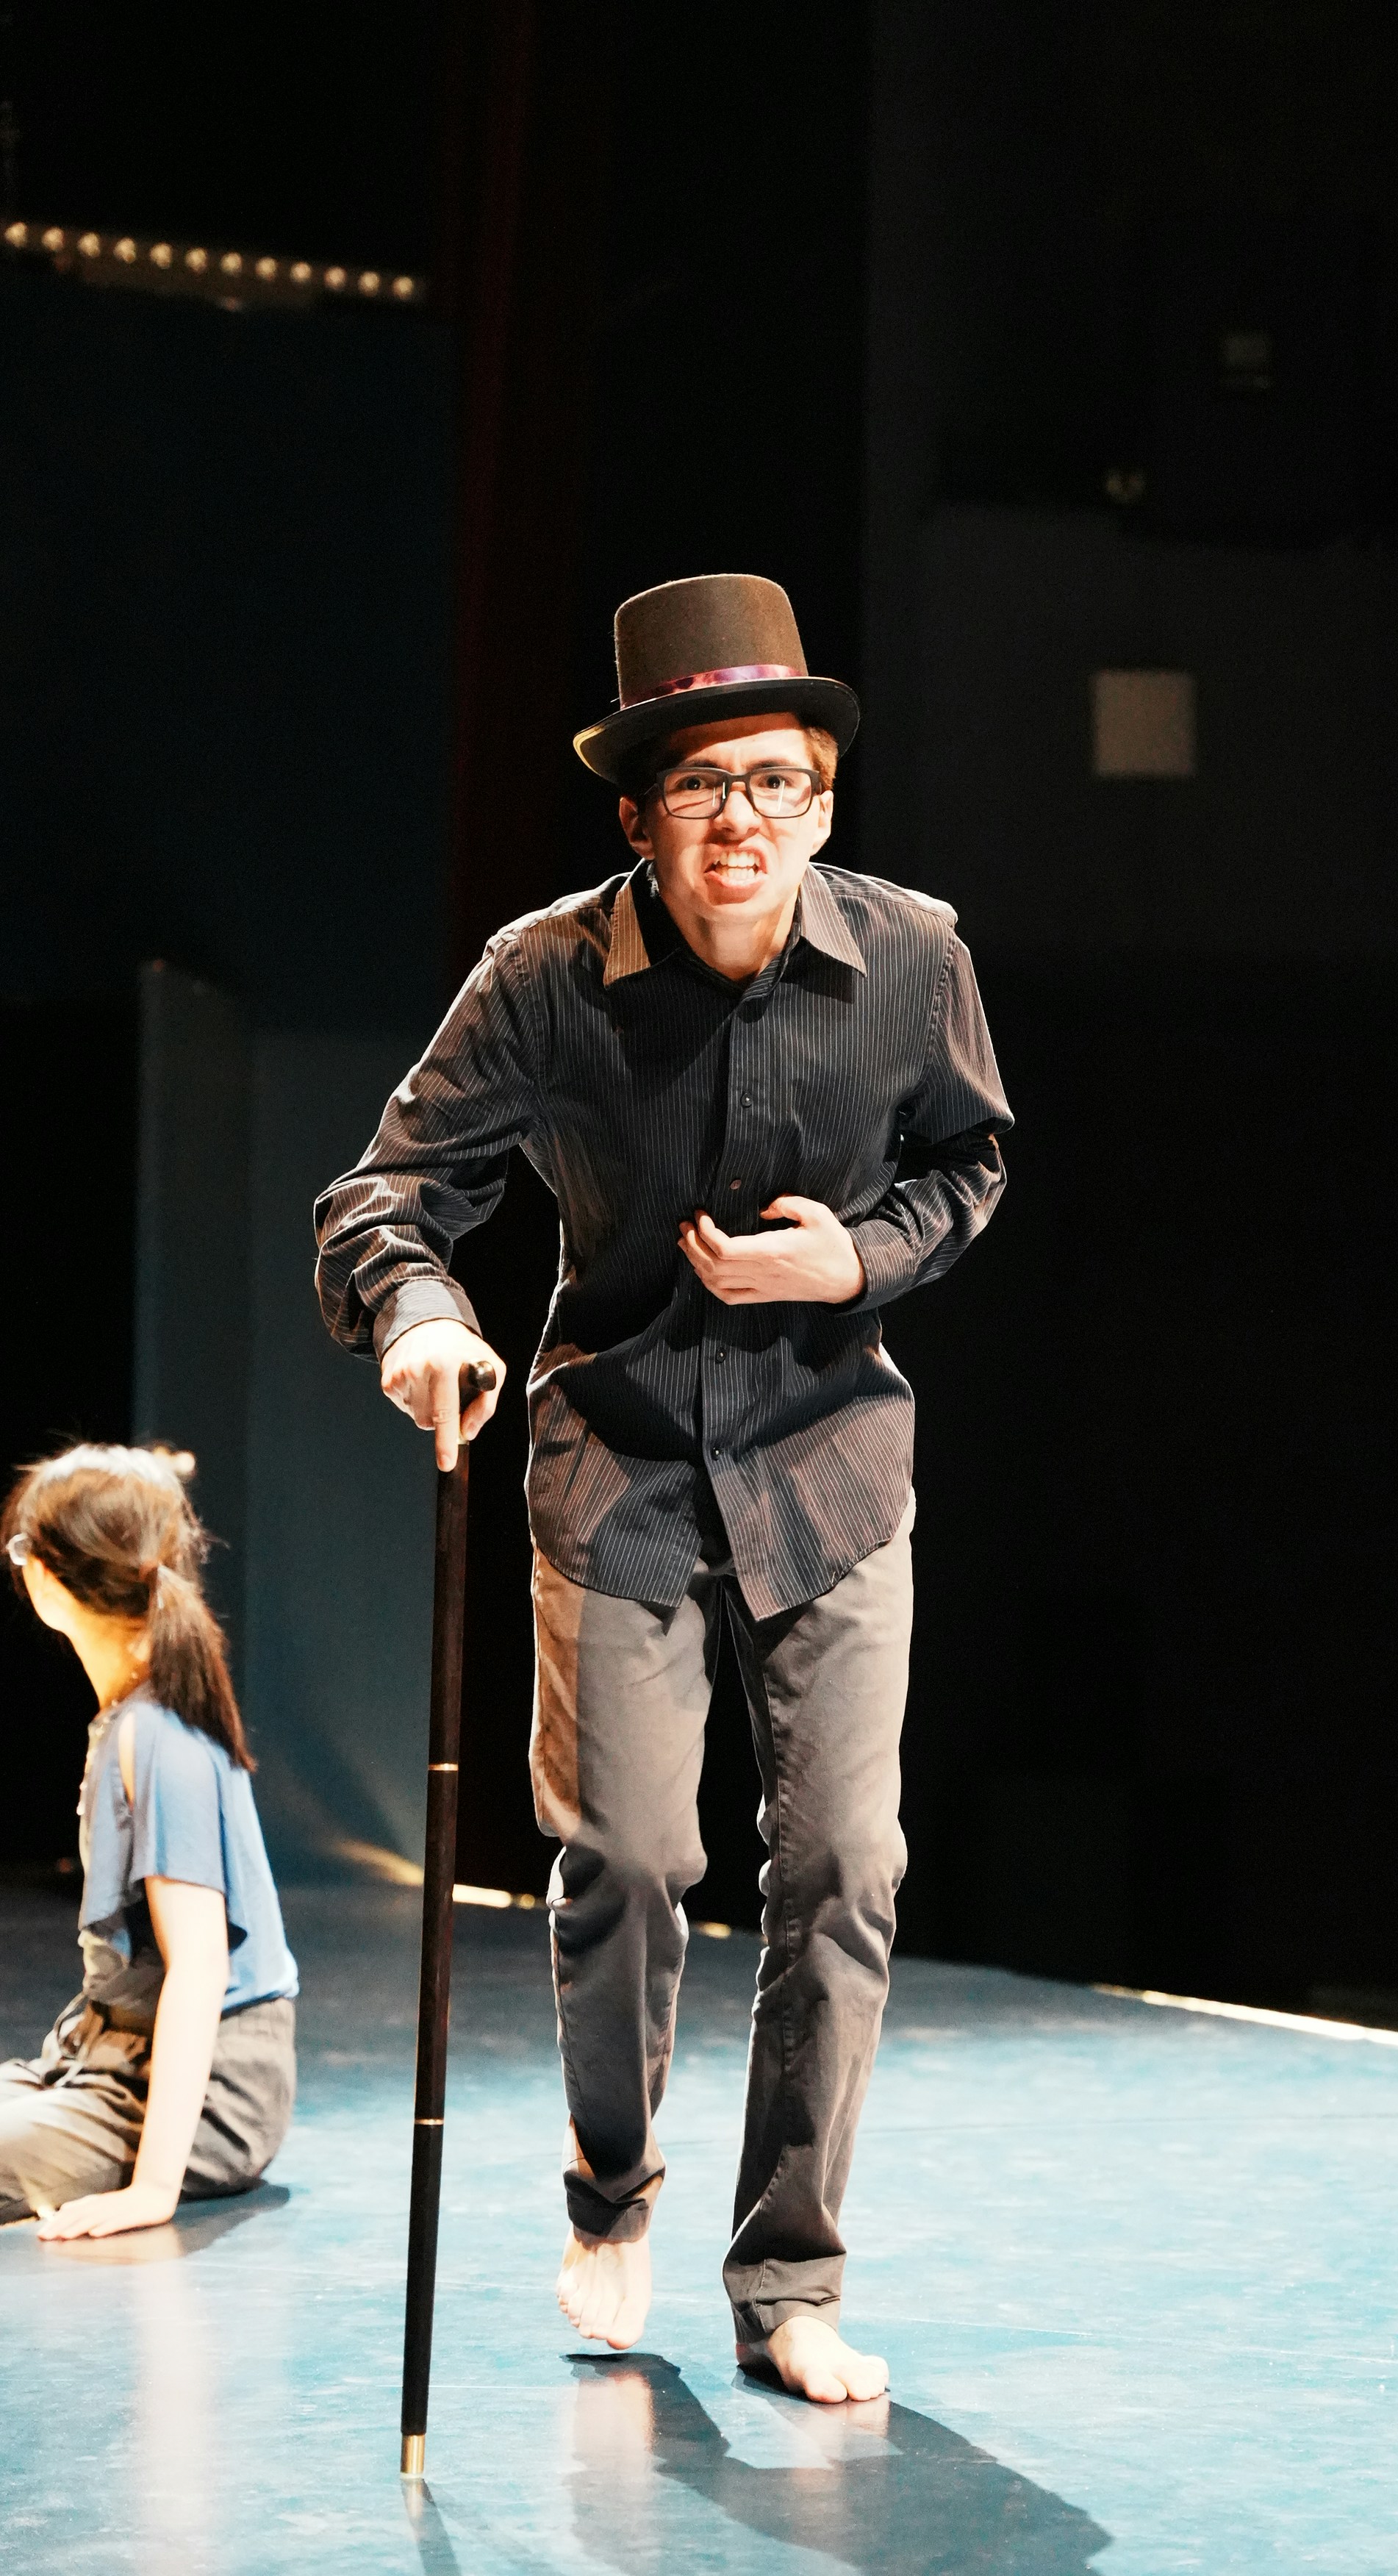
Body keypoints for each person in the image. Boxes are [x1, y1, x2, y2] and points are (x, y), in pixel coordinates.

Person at [315, 573, 1011, 2402]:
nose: (740, 823)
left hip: (830, 1461)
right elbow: (384, 1195)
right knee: (628, 1856)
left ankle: (786, 2276)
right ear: (637, 817)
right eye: (700, 787)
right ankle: (612, 2180)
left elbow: (968, 1166)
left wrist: (850, 1262)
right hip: (617, 1449)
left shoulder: (914, 960)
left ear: (824, 801)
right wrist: (417, 1315)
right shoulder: (543, 979)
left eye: (775, 784)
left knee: (845, 1863)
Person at [0, 1444, 298, 2236]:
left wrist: (151, 2192)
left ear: (53, 1580)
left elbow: (200, 1966)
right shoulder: (134, 1715)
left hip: (206, 2094)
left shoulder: (157, 1736)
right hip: (112, 2059)